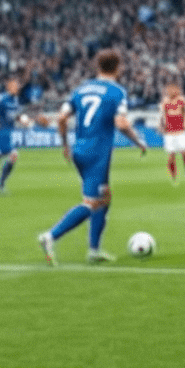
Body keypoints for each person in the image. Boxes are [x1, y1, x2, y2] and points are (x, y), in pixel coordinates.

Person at [36, 47, 149, 265]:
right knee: (92, 203)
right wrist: (139, 142)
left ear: (98, 66)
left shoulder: (80, 90)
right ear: (118, 67)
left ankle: (94, 250)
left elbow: (61, 119)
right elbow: (122, 123)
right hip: (98, 153)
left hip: (79, 149)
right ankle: (50, 236)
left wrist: (64, 146)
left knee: (104, 197)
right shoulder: (117, 92)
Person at [159, 80, 185, 183]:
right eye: (169, 89)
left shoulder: (182, 100)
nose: (171, 91)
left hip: (181, 132)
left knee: (184, 153)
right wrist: (161, 126)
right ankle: (174, 177)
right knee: (171, 156)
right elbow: (162, 116)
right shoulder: (165, 102)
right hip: (170, 133)